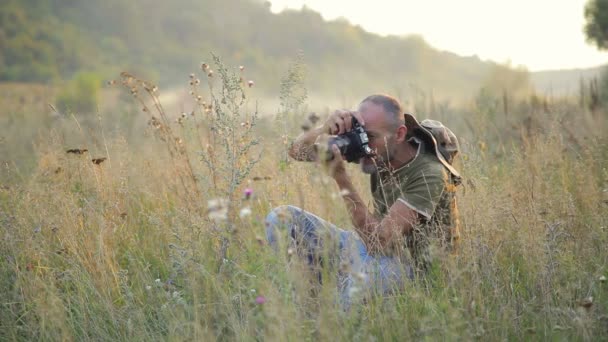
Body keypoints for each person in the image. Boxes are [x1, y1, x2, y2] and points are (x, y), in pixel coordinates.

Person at [265, 94, 461, 305]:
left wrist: (340, 178)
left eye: (370, 137)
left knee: (358, 285)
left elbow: (379, 242)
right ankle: (313, 298)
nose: (362, 144)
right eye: (360, 135)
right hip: (377, 252)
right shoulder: (377, 149)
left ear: (399, 134)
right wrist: (324, 128)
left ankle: (332, 319)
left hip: (415, 270)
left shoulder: (429, 174)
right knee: (281, 218)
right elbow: (297, 151)